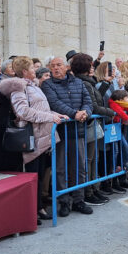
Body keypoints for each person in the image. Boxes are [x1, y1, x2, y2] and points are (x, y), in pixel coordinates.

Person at [0, 56, 68, 221]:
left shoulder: (33, 86)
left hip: (43, 136)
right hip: (32, 137)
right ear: (24, 71)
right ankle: (31, 210)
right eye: (31, 68)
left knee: (41, 174)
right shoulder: (19, 88)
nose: (35, 70)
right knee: (32, 175)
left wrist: (55, 115)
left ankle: (39, 207)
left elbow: (42, 108)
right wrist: (49, 117)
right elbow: (22, 111)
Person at [41, 57, 94, 216]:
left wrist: (85, 113)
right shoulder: (47, 85)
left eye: (59, 65)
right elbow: (55, 103)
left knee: (80, 167)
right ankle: (64, 201)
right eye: (53, 66)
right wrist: (74, 114)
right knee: (61, 169)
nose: (56, 68)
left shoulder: (78, 82)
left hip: (77, 131)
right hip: (60, 132)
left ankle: (79, 200)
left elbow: (88, 101)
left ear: (66, 67)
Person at [71, 53, 118, 203]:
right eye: (90, 64)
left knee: (93, 159)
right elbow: (95, 107)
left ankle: (93, 189)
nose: (93, 67)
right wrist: (113, 113)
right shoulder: (84, 83)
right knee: (88, 160)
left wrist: (106, 83)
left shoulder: (88, 82)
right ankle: (89, 192)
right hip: (86, 126)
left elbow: (96, 98)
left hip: (90, 126)